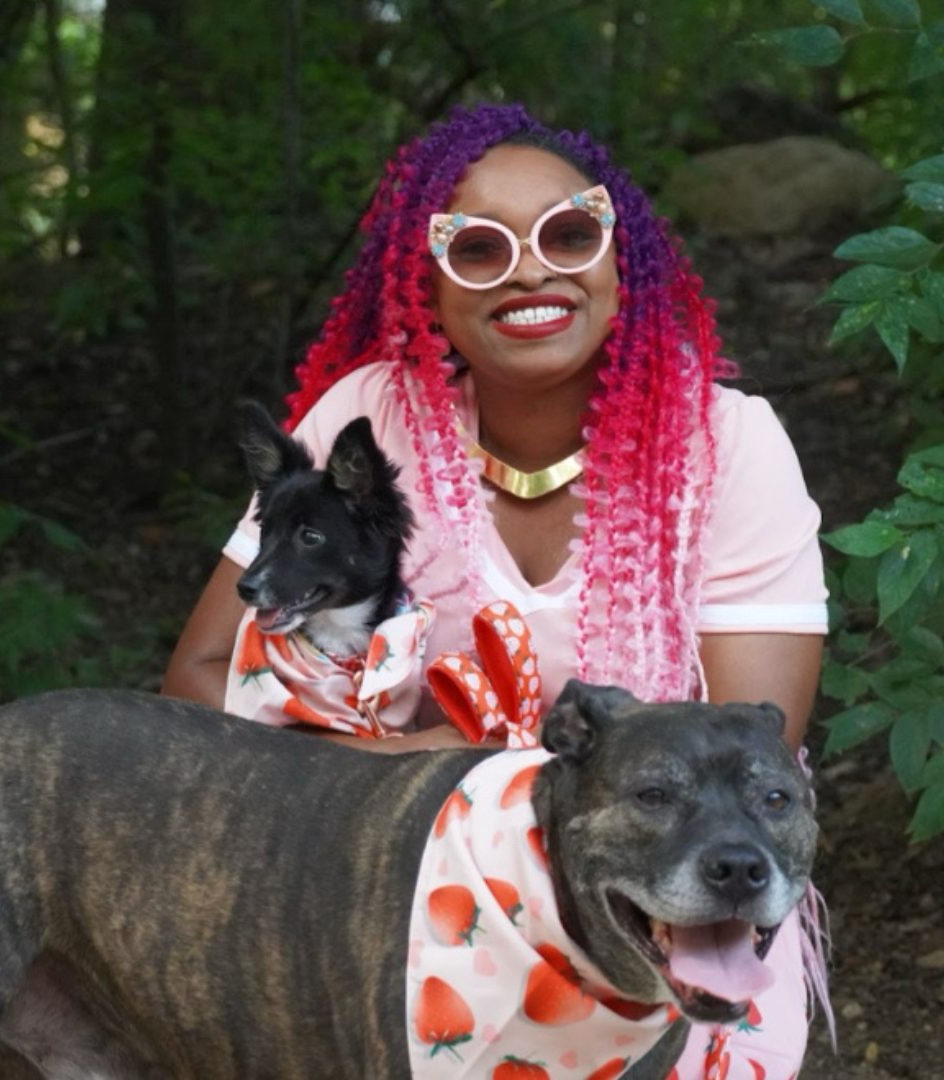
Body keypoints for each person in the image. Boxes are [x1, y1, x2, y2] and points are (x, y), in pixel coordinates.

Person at [162, 102, 830, 1077]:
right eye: (478, 247)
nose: (529, 269)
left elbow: (744, 755)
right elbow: (203, 673)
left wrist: (477, 778)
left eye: (568, 233)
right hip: (387, 888)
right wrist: (385, 763)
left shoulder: (728, 445)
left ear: (618, 255)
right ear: (423, 282)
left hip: (676, 917)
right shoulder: (364, 424)